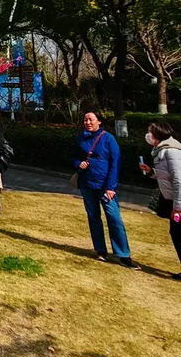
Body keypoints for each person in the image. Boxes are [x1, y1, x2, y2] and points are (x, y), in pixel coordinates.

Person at [72, 108, 137, 267]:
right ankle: (100, 250)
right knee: (93, 217)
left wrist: (111, 187)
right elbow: (73, 157)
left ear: (99, 121)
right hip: (87, 183)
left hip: (105, 185)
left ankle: (123, 254)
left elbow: (115, 164)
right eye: (85, 120)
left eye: (91, 119)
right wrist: (78, 164)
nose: (87, 122)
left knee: (114, 218)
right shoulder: (80, 138)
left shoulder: (108, 139)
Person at [139, 121, 181, 278]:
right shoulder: (160, 151)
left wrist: (177, 207)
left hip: (177, 201)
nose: (148, 135)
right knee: (176, 233)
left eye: (150, 132)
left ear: (158, 134)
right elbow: (167, 176)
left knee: (178, 233)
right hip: (172, 199)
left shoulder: (171, 152)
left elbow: (179, 180)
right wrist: (151, 172)